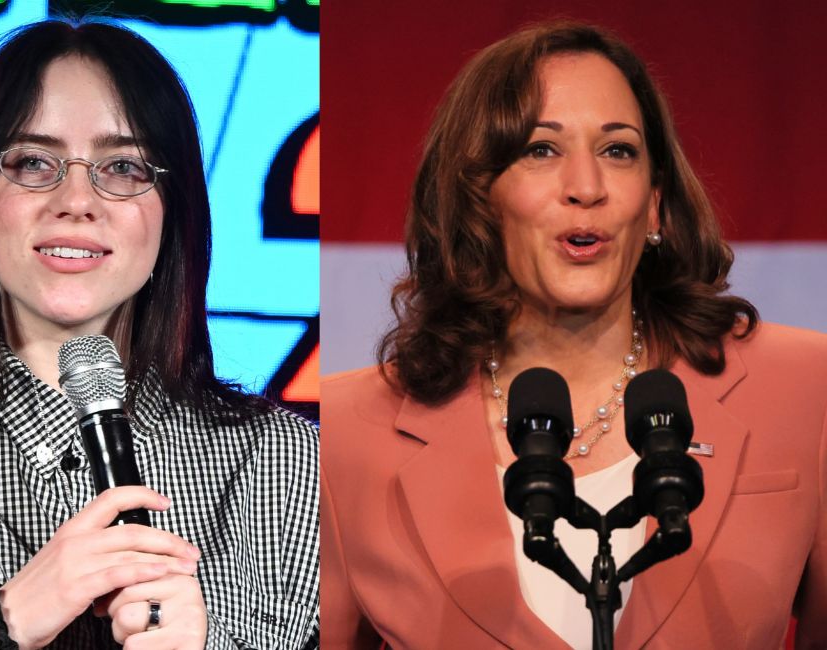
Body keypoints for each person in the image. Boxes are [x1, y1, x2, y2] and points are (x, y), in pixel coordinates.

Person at [0, 20, 319, 650]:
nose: (76, 200)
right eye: (33, 162)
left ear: (171, 219)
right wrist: (2, 618)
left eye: (124, 166)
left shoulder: (283, 463)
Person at [320, 21, 827, 650]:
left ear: (654, 204)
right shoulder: (344, 435)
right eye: (541, 149)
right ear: (478, 197)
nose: (586, 188)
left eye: (618, 150)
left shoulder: (806, 387)